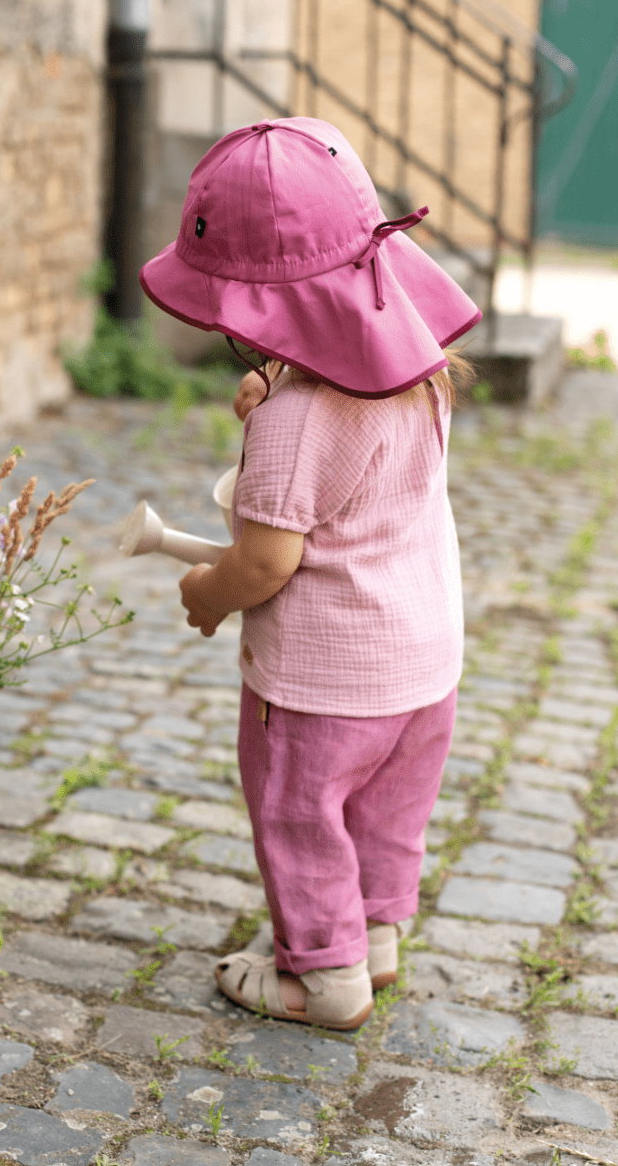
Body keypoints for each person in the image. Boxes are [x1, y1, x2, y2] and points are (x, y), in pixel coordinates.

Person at [138, 117, 481, 1030]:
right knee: (384, 810)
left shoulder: (296, 421)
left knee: (301, 811)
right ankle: (375, 935)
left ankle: (321, 976)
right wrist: (273, 401)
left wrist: (207, 597)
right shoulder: (424, 374)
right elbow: (354, 469)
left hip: (324, 684)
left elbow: (263, 558)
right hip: (423, 663)